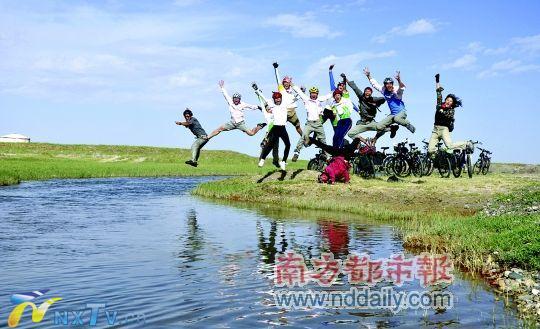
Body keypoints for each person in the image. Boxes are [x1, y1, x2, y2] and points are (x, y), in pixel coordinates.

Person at [343, 73, 399, 143]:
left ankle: (391, 129)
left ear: (371, 93)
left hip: (371, 122)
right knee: (350, 133)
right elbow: (354, 87)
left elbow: (383, 99)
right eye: (366, 91)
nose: (367, 93)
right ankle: (364, 141)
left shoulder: (373, 99)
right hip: (362, 123)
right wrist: (345, 79)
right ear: (364, 92)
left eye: (369, 92)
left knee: (381, 128)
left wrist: (376, 104)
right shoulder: (361, 96)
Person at [427, 73, 472, 154]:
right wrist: (437, 81)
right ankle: (438, 162)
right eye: (448, 99)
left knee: (449, 146)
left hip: (444, 129)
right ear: (445, 99)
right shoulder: (440, 105)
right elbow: (438, 93)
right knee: (430, 150)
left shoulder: (451, 110)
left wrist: (442, 111)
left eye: (451, 101)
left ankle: (466, 144)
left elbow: (448, 115)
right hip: (435, 129)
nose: (448, 102)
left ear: (452, 103)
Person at [363, 67, 416, 134]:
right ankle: (392, 129)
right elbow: (375, 84)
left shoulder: (396, 89)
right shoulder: (383, 90)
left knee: (396, 119)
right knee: (379, 126)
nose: (389, 85)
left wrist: (399, 80)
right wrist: (368, 76)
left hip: (401, 112)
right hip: (393, 114)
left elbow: (402, 87)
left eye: (390, 84)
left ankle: (408, 124)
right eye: (387, 84)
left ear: (392, 84)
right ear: (385, 85)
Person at [290, 85, 331, 162]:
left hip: (318, 124)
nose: (314, 94)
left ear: (317, 94)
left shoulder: (319, 99)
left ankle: (327, 156)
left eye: (315, 93)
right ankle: (297, 152)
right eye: (312, 93)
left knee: (323, 140)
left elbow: (327, 96)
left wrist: (337, 91)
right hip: (309, 123)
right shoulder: (306, 99)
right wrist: (292, 84)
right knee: (303, 137)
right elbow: (299, 91)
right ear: (310, 94)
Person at [258, 91, 291, 170]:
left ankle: (283, 161)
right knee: (270, 145)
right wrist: (257, 91)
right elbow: (264, 99)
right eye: (276, 99)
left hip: (282, 128)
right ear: (274, 100)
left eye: (279, 98)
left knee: (288, 144)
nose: (278, 100)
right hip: (275, 128)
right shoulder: (272, 105)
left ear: (281, 98)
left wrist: (301, 91)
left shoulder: (285, 104)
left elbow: (293, 99)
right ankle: (262, 159)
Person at [252, 82, 280, 168]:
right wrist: (257, 93)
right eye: (267, 108)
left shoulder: (276, 111)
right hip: (269, 133)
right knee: (265, 146)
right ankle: (260, 160)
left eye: (269, 108)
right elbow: (262, 102)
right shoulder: (266, 114)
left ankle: (275, 161)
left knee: (275, 148)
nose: (269, 109)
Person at [272, 62, 303, 136]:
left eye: (287, 82)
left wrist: (301, 92)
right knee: (277, 126)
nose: (286, 84)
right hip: (284, 112)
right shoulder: (281, 89)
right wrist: (276, 68)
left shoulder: (292, 92)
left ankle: (305, 139)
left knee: (298, 127)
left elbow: (296, 98)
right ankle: (269, 141)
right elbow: (278, 79)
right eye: (284, 82)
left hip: (292, 113)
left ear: (290, 83)